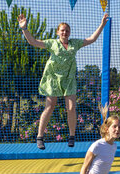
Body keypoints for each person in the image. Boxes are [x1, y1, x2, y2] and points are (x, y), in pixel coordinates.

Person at [18, 13, 108, 148]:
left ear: (69, 32)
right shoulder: (52, 43)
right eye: (62, 30)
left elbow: (92, 39)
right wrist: (24, 28)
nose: (65, 32)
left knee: (71, 108)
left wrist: (102, 24)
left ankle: (72, 137)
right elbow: (33, 42)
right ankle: (40, 136)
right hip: (53, 78)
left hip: (69, 79)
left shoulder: (74, 43)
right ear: (58, 32)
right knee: (50, 106)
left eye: (67, 30)